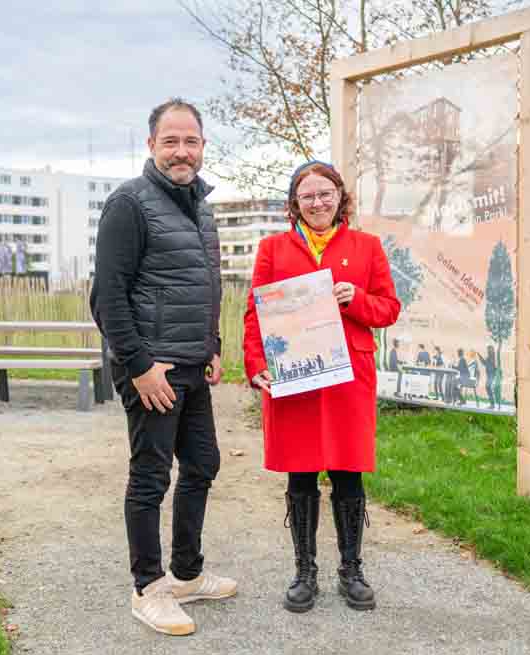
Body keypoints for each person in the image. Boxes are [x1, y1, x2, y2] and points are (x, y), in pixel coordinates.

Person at [90, 98, 237, 637]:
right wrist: (139, 365)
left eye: (190, 141)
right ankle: (147, 589)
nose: (181, 151)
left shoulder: (201, 206)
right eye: (170, 141)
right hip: (152, 370)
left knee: (203, 465)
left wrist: (214, 342)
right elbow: (108, 296)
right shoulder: (129, 203)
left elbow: (205, 286)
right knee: (150, 477)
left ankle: (187, 574)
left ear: (202, 147)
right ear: (151, 145)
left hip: (194, 364)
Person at [243, 161, 401, 613]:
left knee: (348, 470)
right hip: (295, 374)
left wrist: (358, 300)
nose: (317, 202)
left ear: (339, 196)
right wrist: (256, 363)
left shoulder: (366, 247)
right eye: (307, 195)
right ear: (295, 203)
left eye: (325, 193)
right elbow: (256, 311)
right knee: (302, 469)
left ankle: (351, 569)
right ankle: (304, 570)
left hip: (348, 376)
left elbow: (389, 308)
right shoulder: (273, 249)